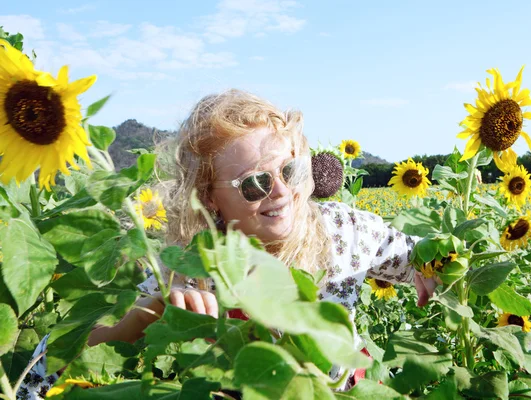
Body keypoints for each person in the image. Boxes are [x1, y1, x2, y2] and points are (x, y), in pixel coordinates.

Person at [19, 89, 436, 398]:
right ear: (210, 198)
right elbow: (48, 362)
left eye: (289, 170)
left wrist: (430, 266)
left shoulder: (344, 232)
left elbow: (417, 254)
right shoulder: (191, 267)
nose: (280, 192)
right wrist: (146, 315)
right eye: (254, 184)